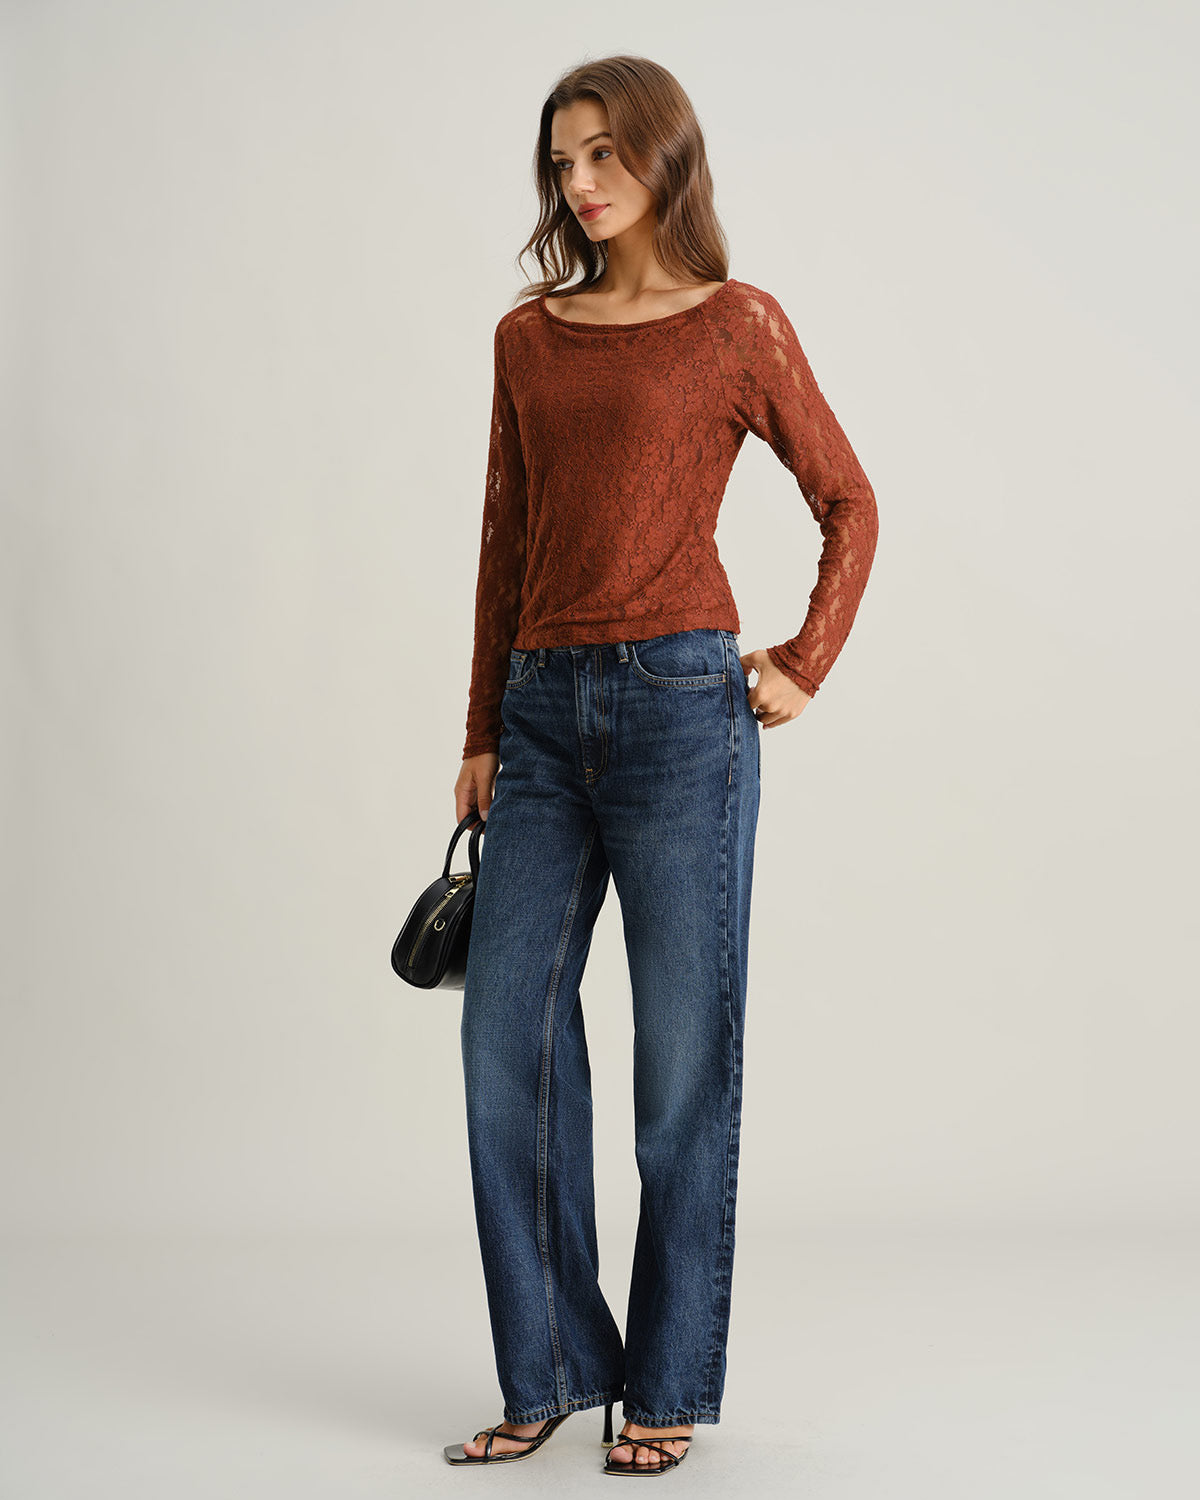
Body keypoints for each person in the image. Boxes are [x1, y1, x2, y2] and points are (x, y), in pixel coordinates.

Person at [444, 54, 878, 1476]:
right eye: (562, 160)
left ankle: (670, 1379)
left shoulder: (737, 324)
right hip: (540, 718)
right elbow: (506, 541)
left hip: (685, 713)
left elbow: (849, 498)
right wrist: (480, 731)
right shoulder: (528, 338)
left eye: (603, 155)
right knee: (505, 1041)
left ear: (664, 157)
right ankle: (551, 1366)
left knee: (682, 1064)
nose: (579, 182)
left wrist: (804, 660)